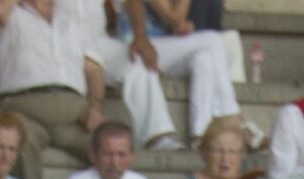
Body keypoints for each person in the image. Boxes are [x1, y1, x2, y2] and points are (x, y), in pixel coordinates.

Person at [0, 0, 104, 179]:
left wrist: (96, 105)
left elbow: (93, 69)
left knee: (112, 144)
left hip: (74, 114)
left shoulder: (71, 21)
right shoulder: (11, 13)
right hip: (26, 107)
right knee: (17, 138)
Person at [95, 0, 240, 159]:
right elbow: (174, 16)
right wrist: (175, 23)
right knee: (213, 40)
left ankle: (202, 134)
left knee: (204, 58)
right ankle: (232, 121)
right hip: (133, 48)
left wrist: (180, 28)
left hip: (160, 49)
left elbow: (175, 20)